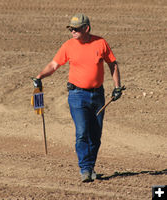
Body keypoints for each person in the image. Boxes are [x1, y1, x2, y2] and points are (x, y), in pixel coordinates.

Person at [33, 13, 123, 182]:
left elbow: (112, 64)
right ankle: (85, 169)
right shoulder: (68, 46)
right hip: (77, 95)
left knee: (95, 134)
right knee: (82, 132)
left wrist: (117, 87)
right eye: (71, 29)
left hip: (98, 95)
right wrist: (39, 76)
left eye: (75, 29)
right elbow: (54, 65)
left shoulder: (100, 43)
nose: (72, 32)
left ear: (86, 28)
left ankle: (90, 166)